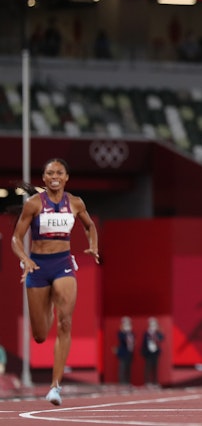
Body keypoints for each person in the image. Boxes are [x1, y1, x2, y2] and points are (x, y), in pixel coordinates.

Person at [10, 158, 100, 406]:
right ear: (44, 177)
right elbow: (16, 239)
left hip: (62, 264)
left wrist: (93, 246)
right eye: (50, 173)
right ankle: (48, 303)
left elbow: (90, 226)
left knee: (66, 322)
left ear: (66, 177)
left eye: (59, 172)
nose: (54, 176)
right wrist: (25, 259)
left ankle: (55, 386)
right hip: (38, 267)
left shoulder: (76, 202)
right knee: (40, 335)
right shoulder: (33, 204)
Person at [141, 317, 165, 386]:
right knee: (148, 367)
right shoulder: (147, 333)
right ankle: (147, 382)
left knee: (155, 367)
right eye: (152, 324)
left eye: (154, 324)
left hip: (155, 352)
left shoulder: (157, 333)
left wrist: (158, 332)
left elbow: (162, 338)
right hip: (148, 353)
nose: (153, 326)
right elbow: (144, 342)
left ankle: (155, 381)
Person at [116, 316, 135, 385]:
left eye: (128, 324)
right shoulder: (121, 333)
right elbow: (122, 339)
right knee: (122, 369)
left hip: (129, 353)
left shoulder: (131, 333)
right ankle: (122, 383)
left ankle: (128, 382)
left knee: (128, 369)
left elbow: (132, 342)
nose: (127, 326)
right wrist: (124, 331)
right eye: (125, 324)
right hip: (123, 353)